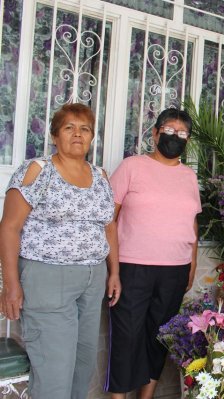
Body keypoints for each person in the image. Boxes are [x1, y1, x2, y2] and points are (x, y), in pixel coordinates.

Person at [0, 103, 120, 398]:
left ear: (92, 137)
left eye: (85, 128)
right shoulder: (37, 171)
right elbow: (9, 227)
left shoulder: (101, 177)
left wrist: (114, 271)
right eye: (69, 127)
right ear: (55, 136)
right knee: (54, 372)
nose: (78, 134)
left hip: (92, 280)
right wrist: (11, 285)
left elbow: (109, 226)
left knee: (82, 366)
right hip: (48, 279)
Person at [107, 108, 201, 399]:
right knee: (127, 337)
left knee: (160, 336)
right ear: (156, 133)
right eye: (170, 130)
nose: (175, 137)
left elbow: (193, 222)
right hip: (132, 267)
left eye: (182, 133)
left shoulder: (188, 176)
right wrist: (113, 271)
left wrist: (192, 263)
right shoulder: (131, 167)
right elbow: (109, 218)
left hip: (174, 269)